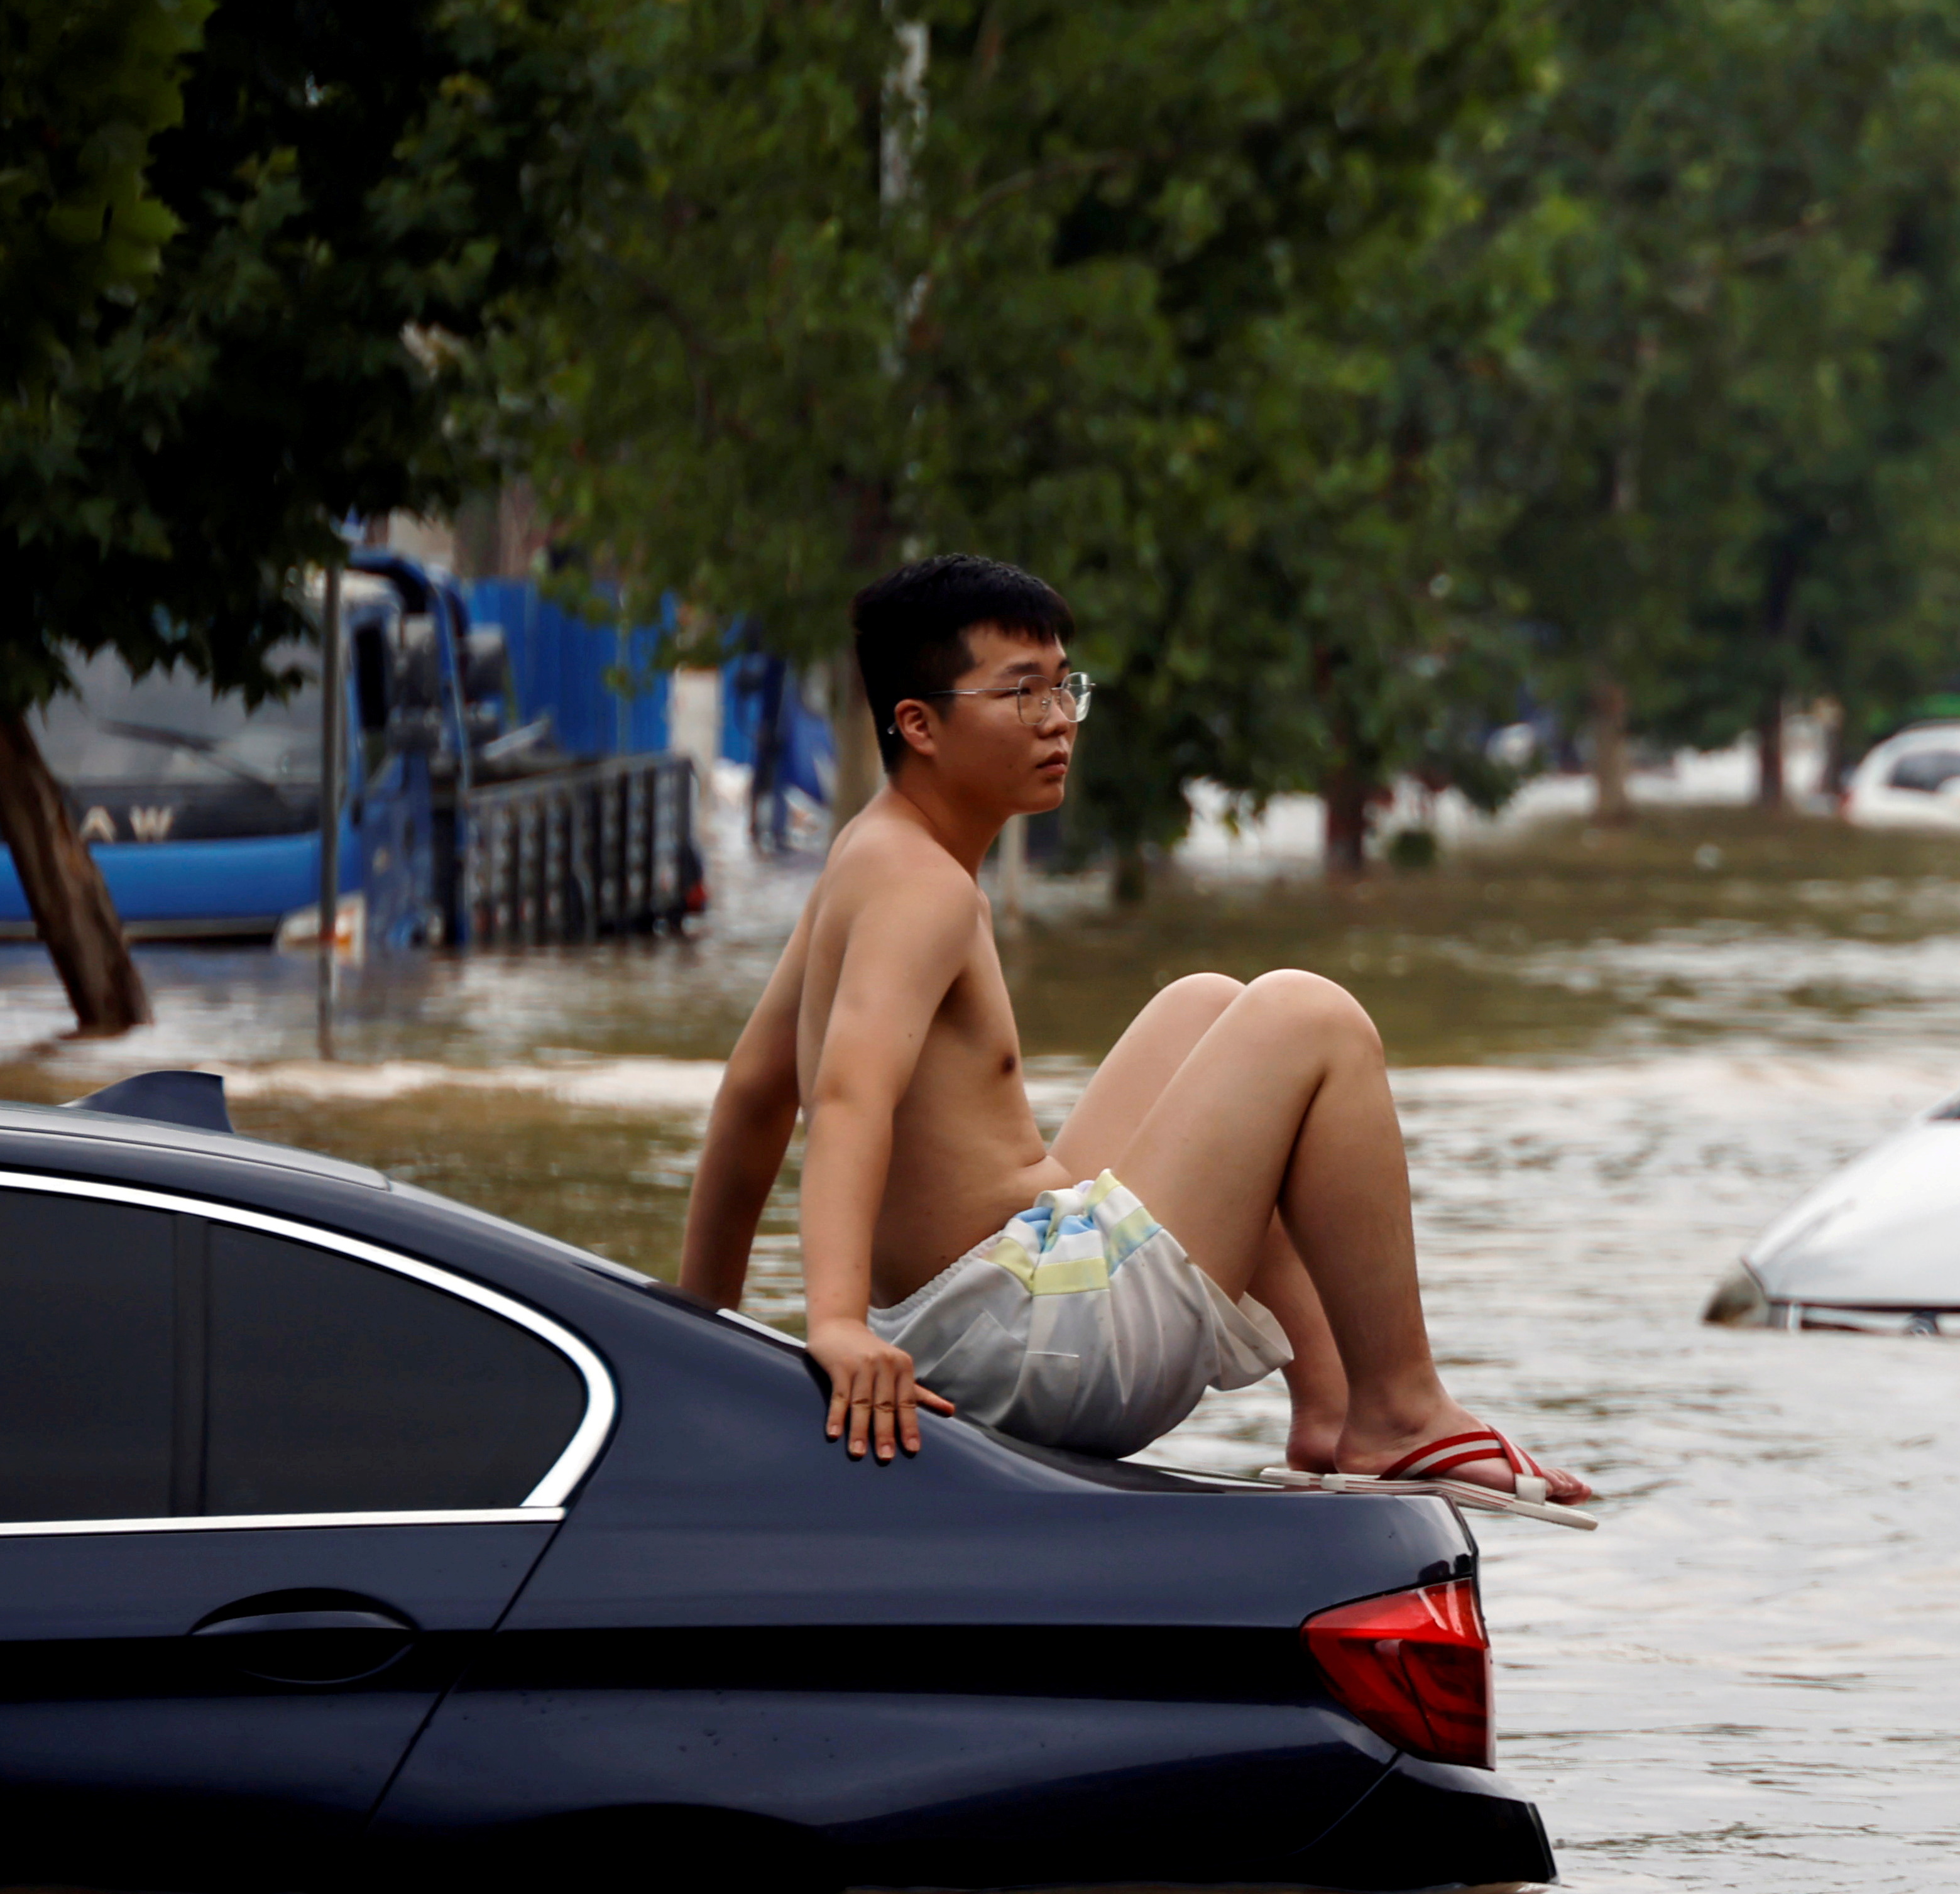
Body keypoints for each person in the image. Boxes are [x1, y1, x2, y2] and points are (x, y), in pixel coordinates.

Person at [676, 554, 1594, 1526]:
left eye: (1064, 685)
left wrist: (693, 1347)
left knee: (1204, 1010)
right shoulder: (921, 887)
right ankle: (1401, 1409)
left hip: (997, 1312)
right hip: (1024, 1341)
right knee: (1306, 1017)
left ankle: (1329, 1410)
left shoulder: (866, 853)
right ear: (919, 724)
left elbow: (753, 1100)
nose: (1060, 719)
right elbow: (849, 1095)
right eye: (1019, 694)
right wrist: (834, 1324)